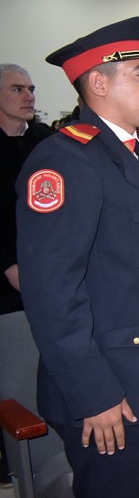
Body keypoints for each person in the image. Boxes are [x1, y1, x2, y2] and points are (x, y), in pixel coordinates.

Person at [17, 16, 139, 498]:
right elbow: (51, 293)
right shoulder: (66, 160)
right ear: (98, 82)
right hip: (108, 389)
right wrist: (94, 394)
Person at [0, 64, 51, 315]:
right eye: (17, 89)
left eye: (31, 89)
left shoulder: (46, 141)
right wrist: (8, 264)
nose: (29, 96)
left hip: (48, 264)